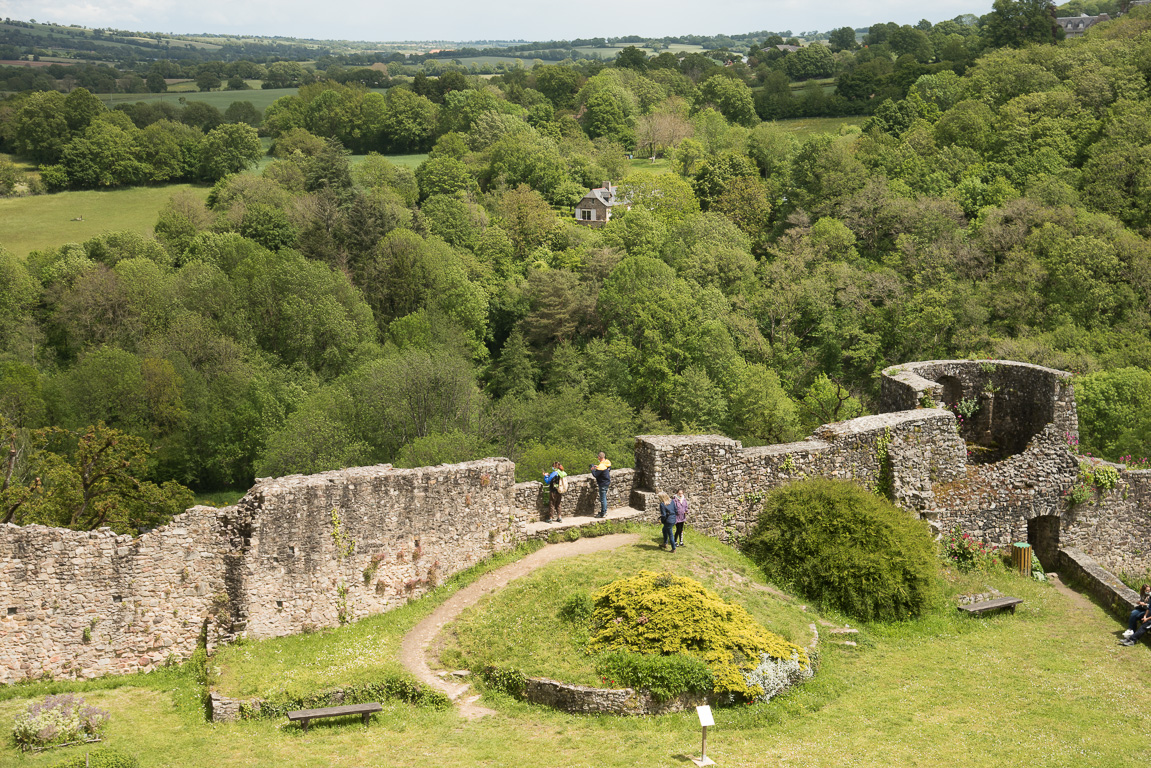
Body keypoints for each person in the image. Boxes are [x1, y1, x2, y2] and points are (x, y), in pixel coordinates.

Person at [590, 452, 612, 518]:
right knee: (604, 497)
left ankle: (603, 513)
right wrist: (598, 467)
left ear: (599, 457)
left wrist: (593, 470)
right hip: (607, 482)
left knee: (603, 499)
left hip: (602, 483)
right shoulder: (607, 463)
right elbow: (606, 469)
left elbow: (595, 475)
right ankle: (604, 510)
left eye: (598, 457)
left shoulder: (601, 466)